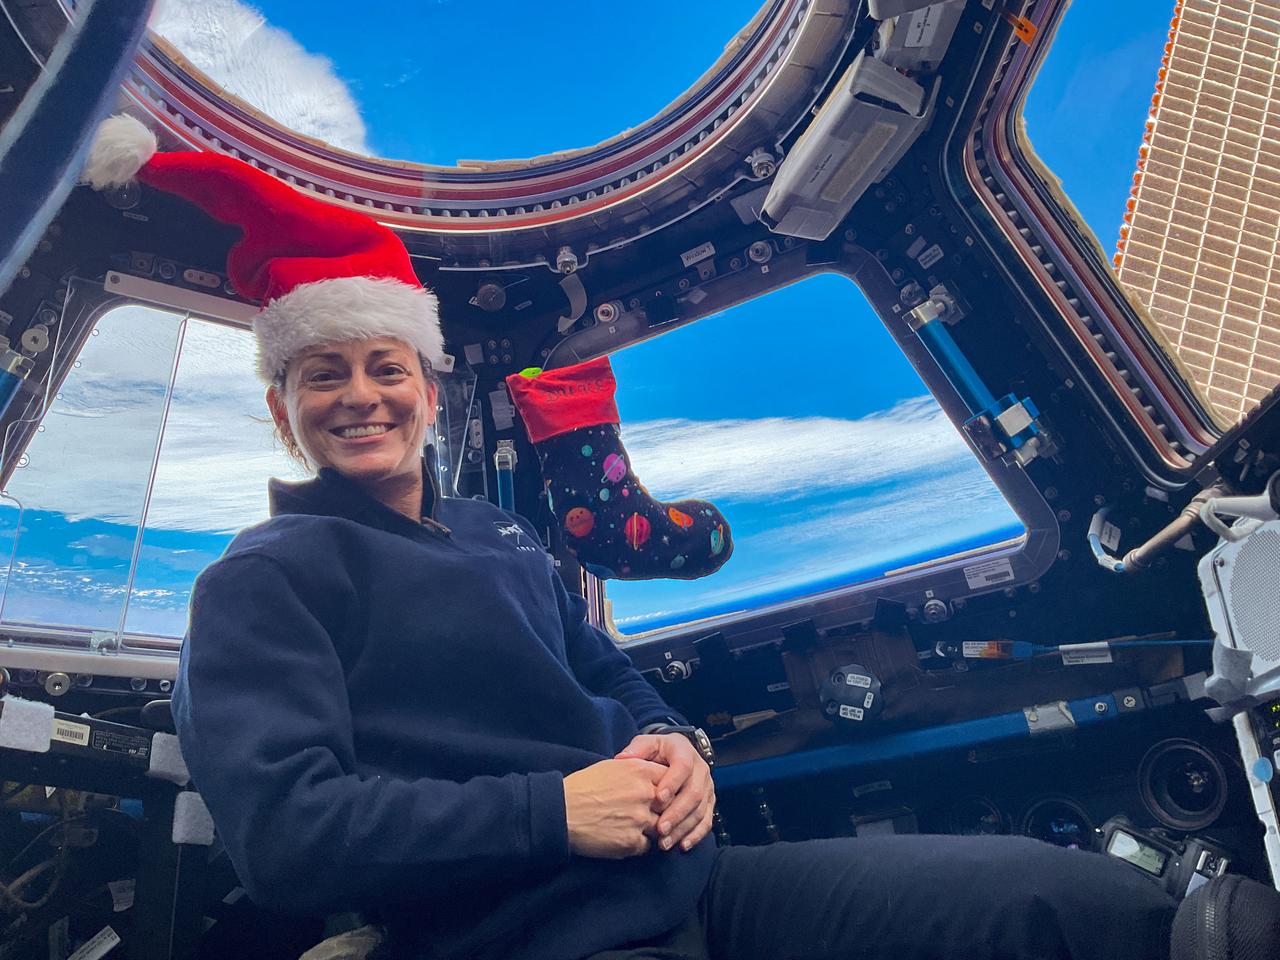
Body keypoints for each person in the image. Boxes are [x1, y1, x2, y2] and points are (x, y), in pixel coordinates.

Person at [83, 115, 1279, 960]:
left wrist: (675, 742)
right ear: (281, 406)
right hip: (518, 938)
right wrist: (556, 813)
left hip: (703, 885)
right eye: (321, 374)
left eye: (384, 366)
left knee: (1070, 911)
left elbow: (605, 672)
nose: (360, 396)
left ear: (429, 391)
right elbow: (291, 839)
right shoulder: (260, 581)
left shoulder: (499, 535)